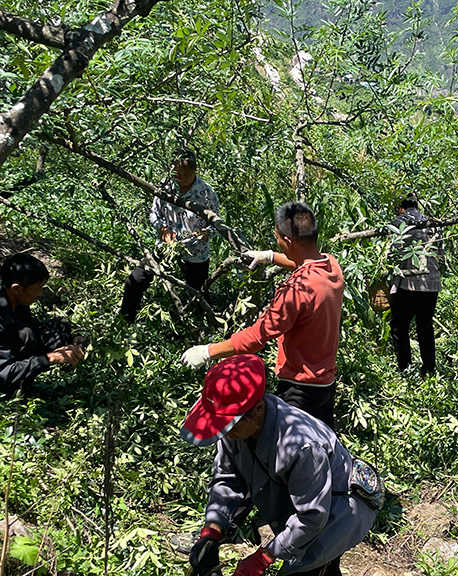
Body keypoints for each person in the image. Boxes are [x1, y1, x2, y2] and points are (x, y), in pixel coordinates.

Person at [181, 354, 377, 576]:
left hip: (338, 510)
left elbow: (311, 516)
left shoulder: (302, 446)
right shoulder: (233, 427)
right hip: (305, 504)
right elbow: (227, 479)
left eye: (231, 426)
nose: (226, 433)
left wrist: (263, 558)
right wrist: (212, 531)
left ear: (258, 409)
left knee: (311, 567)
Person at [181, 201, 344, 430]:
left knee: (288, 457)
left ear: (287, 240)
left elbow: (257, 336)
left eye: (277, 237)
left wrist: (208, 351)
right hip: (325, 384)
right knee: (325, 447)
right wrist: (270, 256)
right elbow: (303, 262)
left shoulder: (294, 291)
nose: (276, 241)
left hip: (299, 389)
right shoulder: (331, 265)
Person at [120, 149, 220, 322]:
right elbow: (154, 213)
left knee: (199, 295)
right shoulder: (165, 185)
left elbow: (216, 222)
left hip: (195, 253)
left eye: (186, 174)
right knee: (135, 281)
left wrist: (205, 233)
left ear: (195, 171)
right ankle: (124, 321)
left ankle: (204, 330)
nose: (181, 178)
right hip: (165, 246)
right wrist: (162, 228)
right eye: (177, 173)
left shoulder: (206, 192)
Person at [0, 253, 85, 394]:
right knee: (27, 334)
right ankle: (20, 390)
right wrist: (49, 359)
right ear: (17, 288)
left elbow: (38, 328)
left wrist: (70, 342)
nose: (40, 294)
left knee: (62, 325)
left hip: (15, 349)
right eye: (38, 287)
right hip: (6, 376)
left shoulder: (17, 303)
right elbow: (3, 374)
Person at [388, 193, 443, 377]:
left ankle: (405, 368)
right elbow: (440, 253)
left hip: (409, 284)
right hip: (432, 284)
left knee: (399, 326)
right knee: (425, 325)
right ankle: (428, 368)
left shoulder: (398, 222)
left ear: (401, 207)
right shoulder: (433, 223)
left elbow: (392, 255)